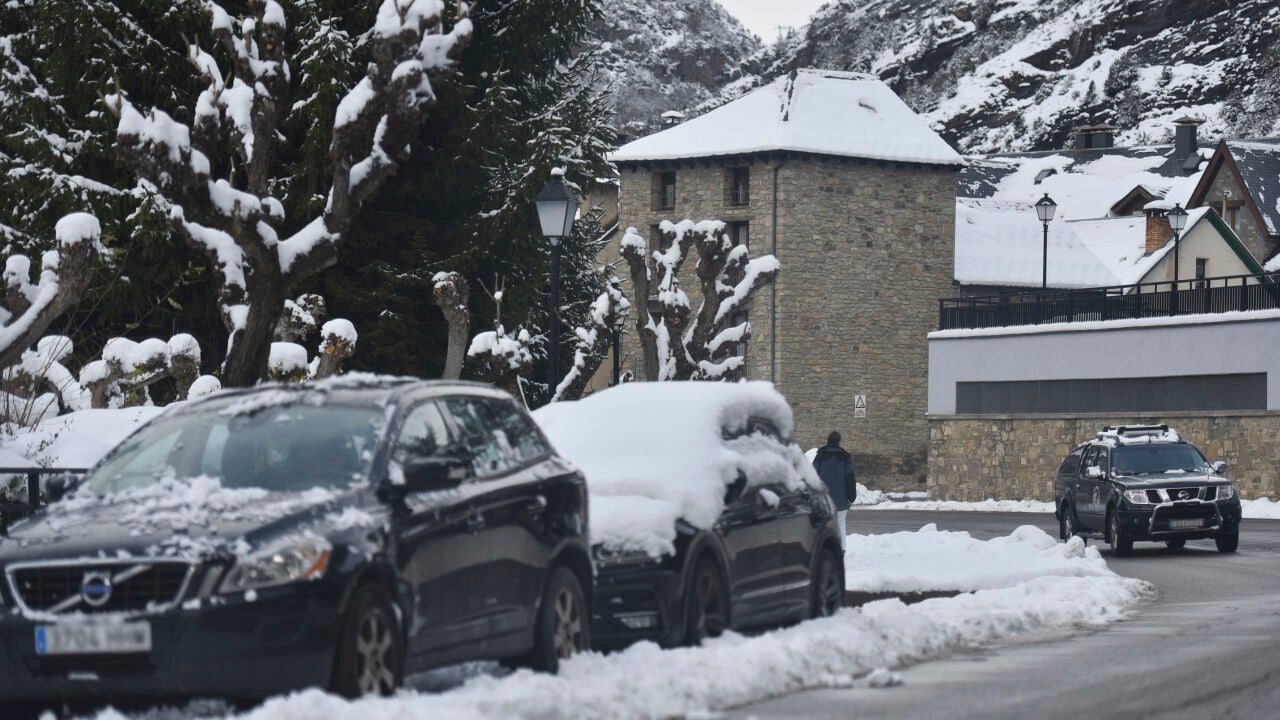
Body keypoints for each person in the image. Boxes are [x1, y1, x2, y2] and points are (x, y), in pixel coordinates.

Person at [812, 431, 856, 550]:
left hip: (823, 500)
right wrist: (851, 497)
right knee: (841, 525)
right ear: (839, 442)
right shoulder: (844, 457)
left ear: (828, 441)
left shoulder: (820, 456)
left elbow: (812, 477)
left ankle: (824, 550)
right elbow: (850, 478)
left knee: (824, 525)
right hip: (841, 500)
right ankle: (841, 550)